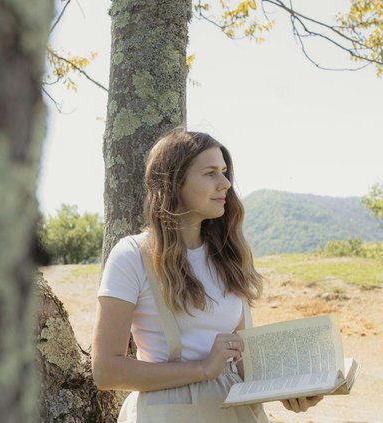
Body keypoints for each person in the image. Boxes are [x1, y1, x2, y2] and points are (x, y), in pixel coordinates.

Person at [91, 130, 323, 422]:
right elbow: (106, 371)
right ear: (174, 183)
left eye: (224, 172)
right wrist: (202, 369)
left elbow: (239, 362)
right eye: (211, 173)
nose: (225, 183)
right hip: (169, 411)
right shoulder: (132, 256)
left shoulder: (228, 254)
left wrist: (290, 389)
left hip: (232, 408)